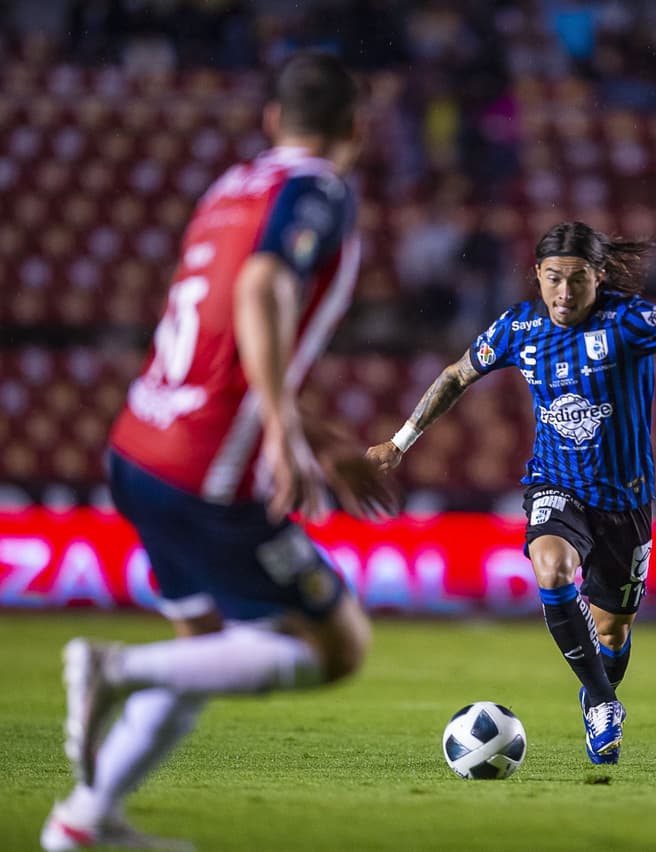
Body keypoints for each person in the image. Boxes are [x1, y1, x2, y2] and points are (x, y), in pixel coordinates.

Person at [41, 52, 397, 852]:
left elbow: (221, 340)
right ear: (356, 130)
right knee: (337, 646)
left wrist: (315, 434)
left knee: (210, 651)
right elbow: (262, 286)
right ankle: (114, 671)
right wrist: (278, 427)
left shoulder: (229, 189)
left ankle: (83, 827)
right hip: (208, 468)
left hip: (137, 447)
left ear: (273, 120)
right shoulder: (318, 192)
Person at [367, 221, 656, 765]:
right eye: (554, 278)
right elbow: (455, 376)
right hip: (556, 485)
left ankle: (598, 696)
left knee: (612, 629)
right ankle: (605, 703)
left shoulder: (628, 318)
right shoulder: (518, 326)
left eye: (578, 279)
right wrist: (400, 442)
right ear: (538, 275)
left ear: (599, 276)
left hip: (626, 501)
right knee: (552, 569)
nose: (565, 292)